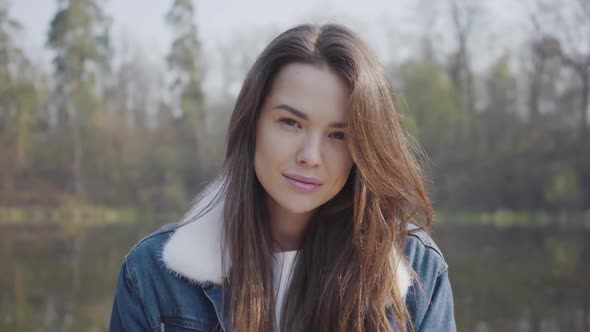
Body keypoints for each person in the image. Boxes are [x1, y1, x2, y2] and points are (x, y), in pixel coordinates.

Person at [109, 23, 456, 332]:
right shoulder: (153, 276)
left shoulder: (417, 270)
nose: (310, 156)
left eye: (339, 135)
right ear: (253, 125)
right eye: (291, 123)